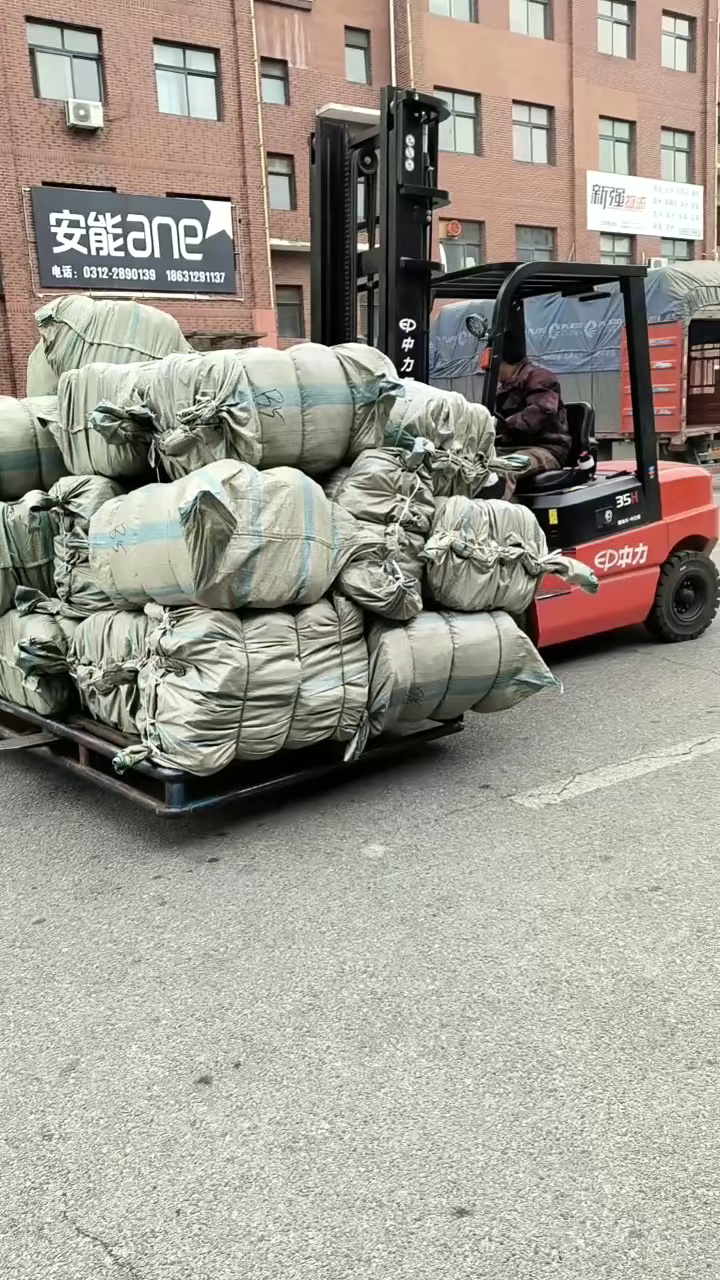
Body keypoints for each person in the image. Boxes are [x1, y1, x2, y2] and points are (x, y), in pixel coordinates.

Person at [491, 339, 571, 498]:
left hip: (544, 449)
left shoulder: (541, 378)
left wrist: (503, 424)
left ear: (505, 362)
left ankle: (497, 511)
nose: (493, 372)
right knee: (471, 465)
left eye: (495, 365)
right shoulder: (505, 388)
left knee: (504, 468)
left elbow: (543, 411)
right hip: (514, 446)